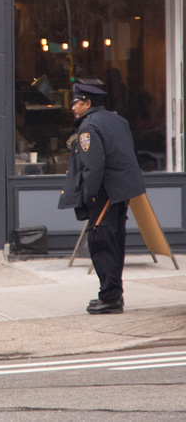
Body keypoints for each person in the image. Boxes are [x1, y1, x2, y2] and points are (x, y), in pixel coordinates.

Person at [59, 83, 145, 314]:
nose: (73, 108)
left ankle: (110, 297)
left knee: (101, 242)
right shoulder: (118, 120)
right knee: (115, 241)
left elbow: (93, 167)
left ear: (87, 103)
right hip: (121, 192)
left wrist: (89, 197)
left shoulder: (88, 126)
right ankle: (113, 295)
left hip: (104, 193)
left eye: (76, 103)